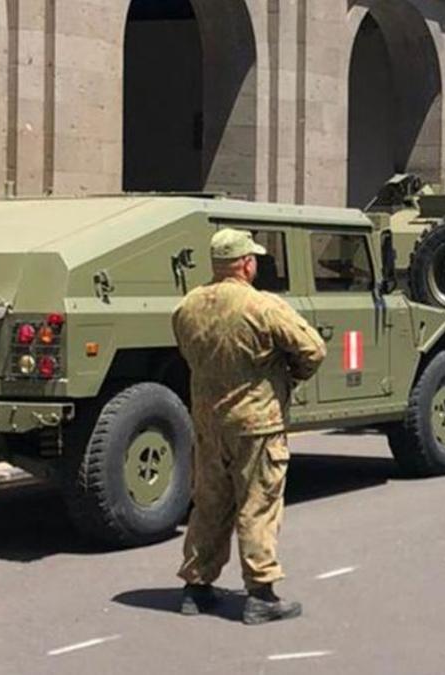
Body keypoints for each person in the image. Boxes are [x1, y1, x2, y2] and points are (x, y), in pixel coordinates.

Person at [172, 229, 327, 625]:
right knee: (258, 505)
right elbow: (313, 349)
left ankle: (196, 586)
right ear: (246, 264)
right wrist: (291, 375)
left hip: (208, 422)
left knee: (209, 503)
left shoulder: (187, 307)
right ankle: (261, 593)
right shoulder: (262, 305)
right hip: (257, 423)